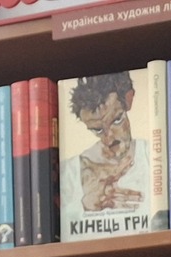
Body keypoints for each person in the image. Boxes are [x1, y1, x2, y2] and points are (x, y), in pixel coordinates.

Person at [59, 74, 141, 223]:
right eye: (97, 130)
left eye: (117, 120)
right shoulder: (67, 173)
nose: (109, 140)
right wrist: (85, 208)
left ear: (129, 100)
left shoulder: (155, 156)